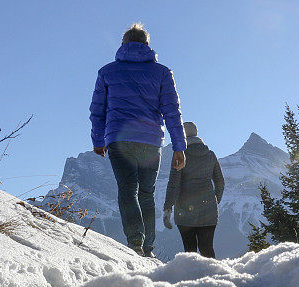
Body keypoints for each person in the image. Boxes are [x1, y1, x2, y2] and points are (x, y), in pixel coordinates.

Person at [89, 23, 187, 258]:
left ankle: (135, 242)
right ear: (147, 45)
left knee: (127, 190)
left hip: (118, 140)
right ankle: (148, 248)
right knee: (146, 193)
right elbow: (172, 111)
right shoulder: (162, 72)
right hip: (151, 140)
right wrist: (179, 146)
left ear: (123, 44)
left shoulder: (107, 71)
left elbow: (97, 110)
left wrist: (97, 140)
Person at [163, 122, 224, 258]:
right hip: (208, 210)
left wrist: (168, 208)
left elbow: (173, 184)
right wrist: (215, 201)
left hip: (185, 211)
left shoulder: (180, 155)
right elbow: (220, 182)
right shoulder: (211, 155)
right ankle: (214, 276)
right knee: (207, 248)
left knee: (190, 250)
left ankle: (192, 276)